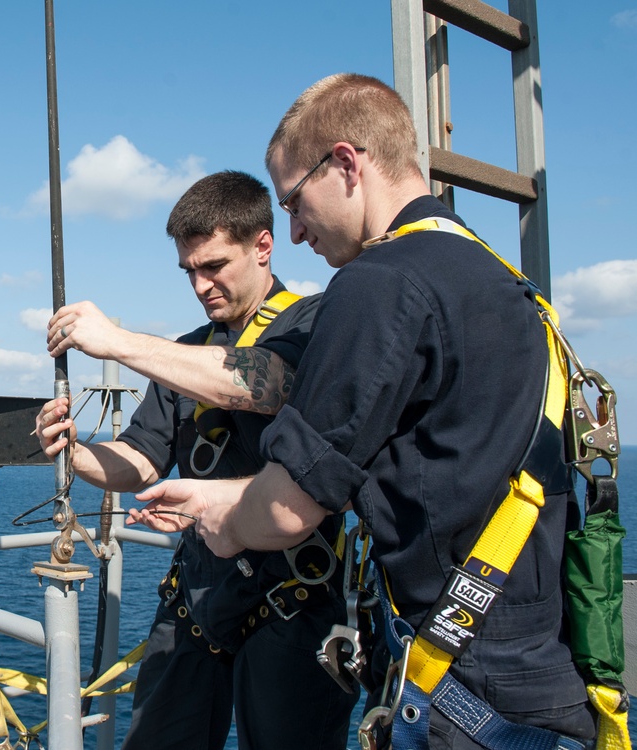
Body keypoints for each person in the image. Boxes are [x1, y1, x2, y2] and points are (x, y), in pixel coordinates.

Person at [131, 74, 597, 748]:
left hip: (458, 692)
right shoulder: (505, 282)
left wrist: (224, 519)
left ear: (346, 164)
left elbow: (291, 507)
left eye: (294, 201)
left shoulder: (379, 285)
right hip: (535, 669)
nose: (293, 231)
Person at [35, 170, 357, 750]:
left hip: (296, 596)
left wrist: (120, 342)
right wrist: (75, 452)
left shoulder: (316, 325)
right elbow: (139, 460)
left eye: (214, 266)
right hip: (199, 592)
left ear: (263, 246)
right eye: (190, 271)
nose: (201, 285)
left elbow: (263, 384)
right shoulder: (185, 355)